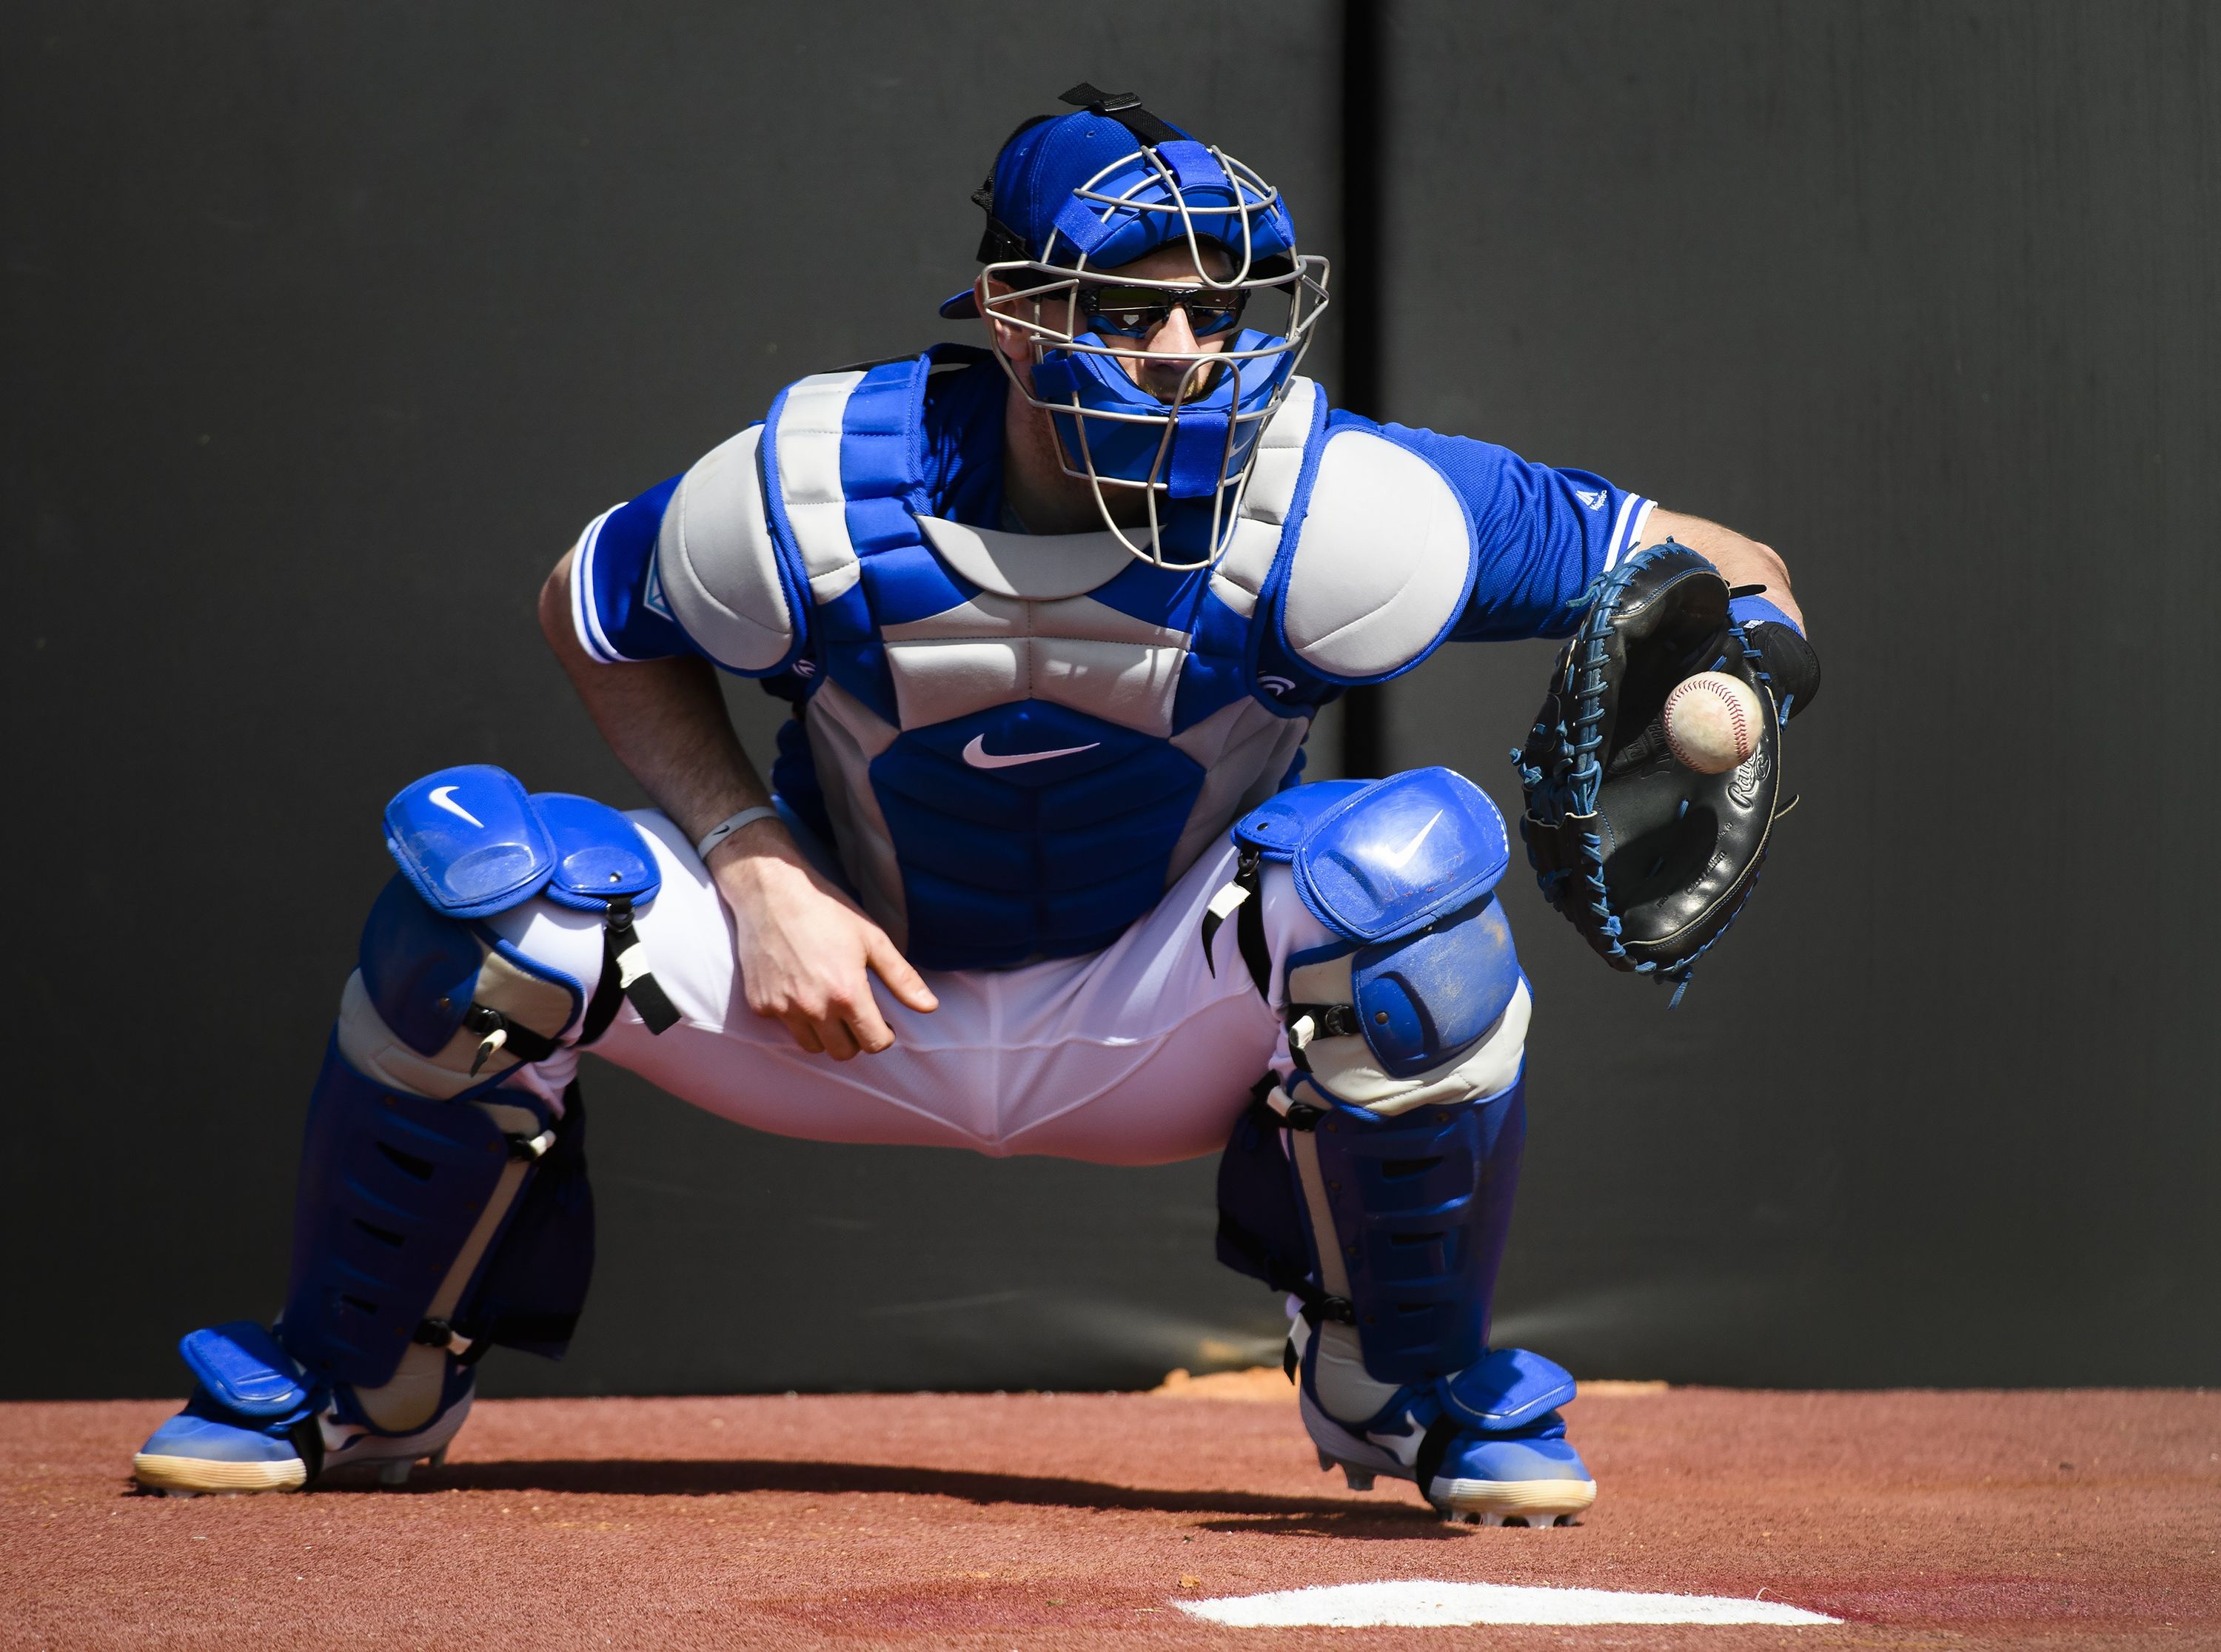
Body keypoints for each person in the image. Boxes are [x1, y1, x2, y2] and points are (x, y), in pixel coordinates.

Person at [131, 85, 1808, 1525]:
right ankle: (350, 1380)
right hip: (840, 993)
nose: (1182, 354)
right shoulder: (809, 490)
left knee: (1407, 883)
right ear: (1010, 313)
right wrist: (755, 861)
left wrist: (1761, 653)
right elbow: (593, 610)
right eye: (1124, 309)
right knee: (484, 892)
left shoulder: (1345, 506)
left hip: (1155, 1012)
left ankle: (1408, 1385)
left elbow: (1729, 565)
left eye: (1216, 317)